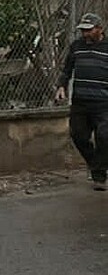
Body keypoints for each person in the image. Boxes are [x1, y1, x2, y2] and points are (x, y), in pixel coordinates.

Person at [56, 12, 108, 190]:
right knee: (78, 136)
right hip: (80, 102)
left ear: (100, 29)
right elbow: (67, 69)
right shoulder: (76, 46)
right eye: (83, 30)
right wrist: (61, 86)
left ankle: (99, 176)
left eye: (89, 30)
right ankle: (96, 165)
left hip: (103, 104)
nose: (85, 34)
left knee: (104, 136)